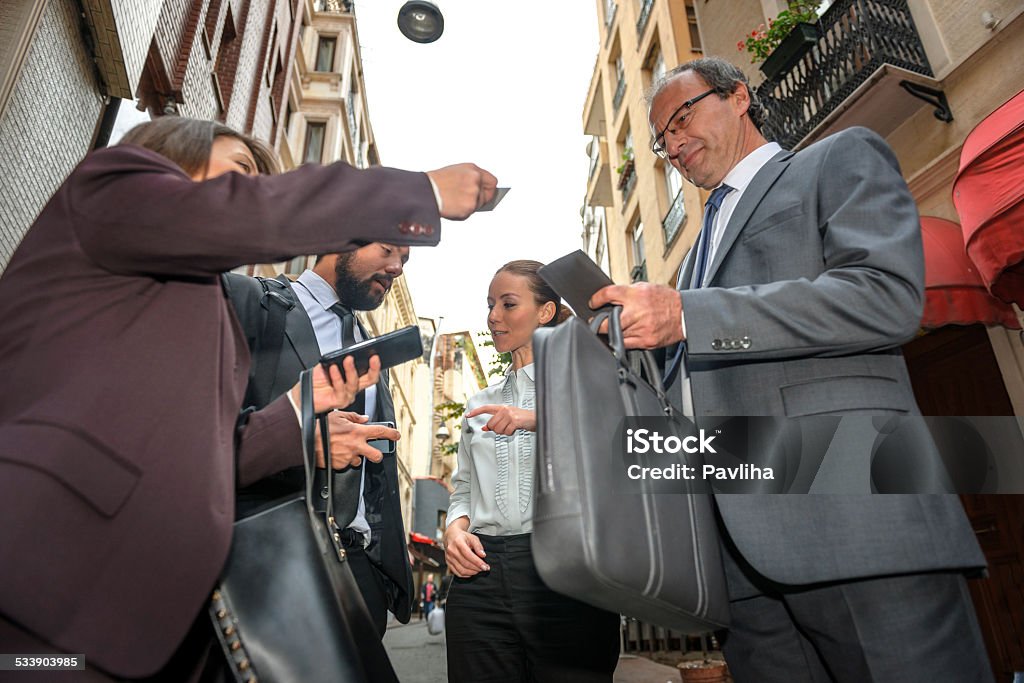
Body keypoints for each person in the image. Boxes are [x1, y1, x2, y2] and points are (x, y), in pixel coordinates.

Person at [0, 115, 496, 681]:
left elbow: (211, 452)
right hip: (47, 578)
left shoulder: (204, 304)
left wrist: (294, 419)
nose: (250, 189)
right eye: (240, 173)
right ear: (176, 156)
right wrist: (420, 192)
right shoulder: (112, 183)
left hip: (147, 607)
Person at [590, 57, 990, 682]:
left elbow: (882, 297)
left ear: (740, 97)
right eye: (662, 137)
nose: (673, 144)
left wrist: (690, 315)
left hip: (853, 519)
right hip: (736, 561)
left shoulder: (834, 159)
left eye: (682, 117)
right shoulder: (694, 254)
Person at [223, 243, 417, 638]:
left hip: (359, 574)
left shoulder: (370, 345)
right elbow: (193, 439)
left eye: (406, 260)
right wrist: (301, 438)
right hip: (273, 567)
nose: (397, 268)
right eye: (387, 249)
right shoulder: (250, 300)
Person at [444, 260, 620, 683]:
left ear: (545, 311)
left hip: (568, 571)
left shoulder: (590, 379)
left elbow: (617, 442)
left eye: (507, 304)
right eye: (489, 305)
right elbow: (464, 486)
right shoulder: (477, 403)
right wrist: (454, 530)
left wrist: (537, 417)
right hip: (479, 577)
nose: (492, 317)